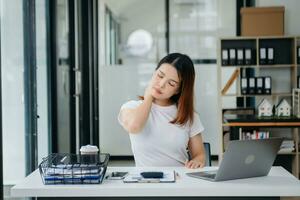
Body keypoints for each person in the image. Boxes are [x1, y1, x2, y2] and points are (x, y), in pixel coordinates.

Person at [118, 53, 206, 169]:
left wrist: (197, 161)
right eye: (160, 76)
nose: (161, 84)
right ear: (154, 72)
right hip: (144, 181)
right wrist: (149, 96)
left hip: (179, 181)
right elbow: (134, 127)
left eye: (171, 83)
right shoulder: (131, 107)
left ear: (178, 90)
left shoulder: (188, 116)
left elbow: (199, 155)